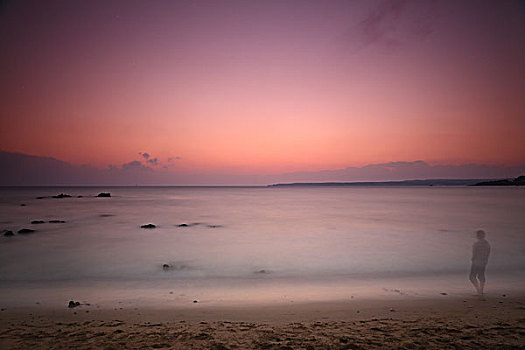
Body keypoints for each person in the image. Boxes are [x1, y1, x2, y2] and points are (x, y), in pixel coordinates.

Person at [469, 230, 491, 295]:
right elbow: (487, 254)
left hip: (476, 262)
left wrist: (473, 259)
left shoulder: (476, 244)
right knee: (481, 276)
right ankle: (481, 290)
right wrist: (485, 260)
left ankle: (478, 289)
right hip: (483, 262)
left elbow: (474, 254)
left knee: (472, 277)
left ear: (478, 236)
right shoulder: (487, 244)